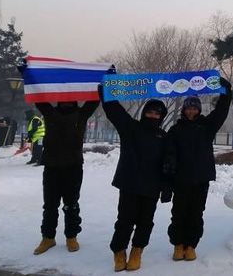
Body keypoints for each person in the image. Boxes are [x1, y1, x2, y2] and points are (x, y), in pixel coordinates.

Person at [98, 86, 169, 272]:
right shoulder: (131, 128)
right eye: (150, 112)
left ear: (161, 117)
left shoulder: (164, 137)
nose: (153, 115)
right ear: (145, 113)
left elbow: (169, 163)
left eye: (157, 113)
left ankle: (137, 251)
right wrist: (106, 89)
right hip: (130, 183)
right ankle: (119, 251)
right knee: (125, 220)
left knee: (146, 222)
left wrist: (167, 186)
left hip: (152, 187)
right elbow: (114, 111)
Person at [164, 77, 232, 262]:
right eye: (188, 107)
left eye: (194, 107)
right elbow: (168, 154)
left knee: (196, 214)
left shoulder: (206, 126)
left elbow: (221, 111)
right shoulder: (175, 130)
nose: (191, 110)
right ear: (184, 109)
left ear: (199, 109)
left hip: (201, 179)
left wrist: (225, 91)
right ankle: (178, 244)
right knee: (178, 213)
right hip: (181, 180)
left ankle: (191, 245)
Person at [32, 99, 99, 255]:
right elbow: (38, 96)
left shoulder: (82, 114)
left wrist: (104, 77)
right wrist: (28, 74)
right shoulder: (50, 112)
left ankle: (71, 236)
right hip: (51, 166)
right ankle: (48, 237)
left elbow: (95, 99)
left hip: (73, 167)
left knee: (71, 204)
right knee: (49, 205)